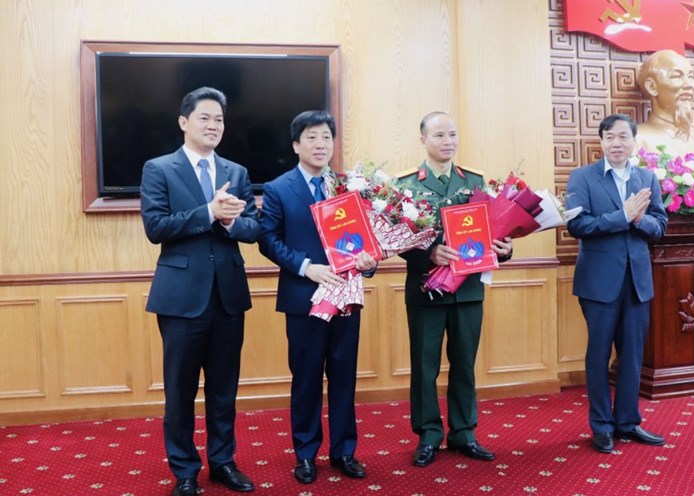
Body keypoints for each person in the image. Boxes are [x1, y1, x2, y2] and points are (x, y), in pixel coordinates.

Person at [140, 87, 259, 496]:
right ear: (184, 122)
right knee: (180, 391)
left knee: (224, 389)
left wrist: (230, 222)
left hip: (228, 296)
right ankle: (185, 471)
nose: (213, 125)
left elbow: (253, 228)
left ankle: (223, 462)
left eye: (219, 119)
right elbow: (156, 227)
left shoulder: (236, 172)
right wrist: (208, 212)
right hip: (180, 298)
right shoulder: (159, 168)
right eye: (204, 118)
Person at [258, 110, 378, 484]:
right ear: (296, 145)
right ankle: (306, 454)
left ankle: (344, 451)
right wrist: (306, 267)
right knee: (307, 378)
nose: (320, 144)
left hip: (346, 297)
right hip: (304, 297)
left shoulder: (349, 187)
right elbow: (267, 240)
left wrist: (369, 261)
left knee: (344, 377)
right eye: (311, 137)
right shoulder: (278, 188)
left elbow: (367, 239)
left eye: (326, 136)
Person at [396, 111, 513, 468]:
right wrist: (428, 254)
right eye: (439, 135)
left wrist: (505, 248)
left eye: (452, 134)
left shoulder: (475, 181)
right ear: (423, 140)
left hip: (468, 291)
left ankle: (464, 432)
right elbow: (397, 239)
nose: (448, 142)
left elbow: (493, 229)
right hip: (425, 290)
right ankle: (429, 434)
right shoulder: (406, 185)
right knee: (425, 367)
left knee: (464, 364)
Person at [565, 113, 668, 454]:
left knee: (633, 354)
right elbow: (577, 226)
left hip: (637, 281)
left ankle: (627, 421)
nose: (616, 143)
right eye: (609, 137)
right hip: (598, 282)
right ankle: (601, 425)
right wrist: (621, 216)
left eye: (623, 137)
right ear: (601, 142)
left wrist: (639, 220)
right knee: (598, 354)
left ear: (634, 142)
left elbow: (660, 226)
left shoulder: (646, 178)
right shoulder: (583, 177)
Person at [636, 49, 694, 156]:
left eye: (690, 77)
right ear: (652, 87)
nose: (689, 85)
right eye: (677, 76)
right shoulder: (636, 141)